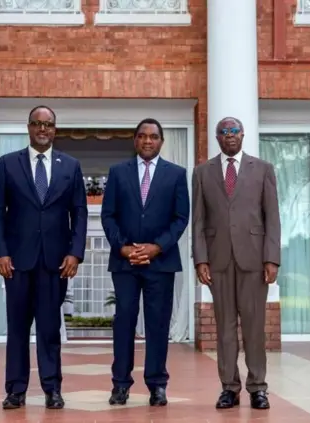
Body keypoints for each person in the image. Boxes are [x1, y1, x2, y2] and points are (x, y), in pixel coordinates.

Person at [0, 105, 88, 410]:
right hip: (16, 262)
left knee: (48, 329)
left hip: (55, 263)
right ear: (28, 127)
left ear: (55, 129)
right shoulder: (8, 164)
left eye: (48, 125)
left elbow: (79, 213)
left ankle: (52, 388)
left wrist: (75, 253)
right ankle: (15, 390)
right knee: (17, 328)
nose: (43, 129)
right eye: (37, 124)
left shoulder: (70, 166)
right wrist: (0, 253)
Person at [191, 117, 280, 410]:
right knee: (225, 328)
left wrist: (271, 258)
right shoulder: (203, 172)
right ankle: (229, 387)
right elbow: (199, 221)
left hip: (254, 259)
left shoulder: (263, 169)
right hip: (217, 260)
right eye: (223, 132)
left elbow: (272, 218)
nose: (229, 136)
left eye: (234, 131)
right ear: (216, 137)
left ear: (243, 134)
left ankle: (258, 387)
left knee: (254, 327)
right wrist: (200, 259)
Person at [101, 118, 190, 407]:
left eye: (153, 136)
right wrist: (124, 248)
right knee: (124, 322)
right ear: (135, 140)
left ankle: (157, 385)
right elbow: (108, 215)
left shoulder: (176, 174)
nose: (147, 141)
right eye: (142, 136)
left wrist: (157, 247)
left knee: (157, 325)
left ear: (161, 141)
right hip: (125, 263)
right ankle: (120, 385)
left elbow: (181, 218)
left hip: (160, 263)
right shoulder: (117, 172)